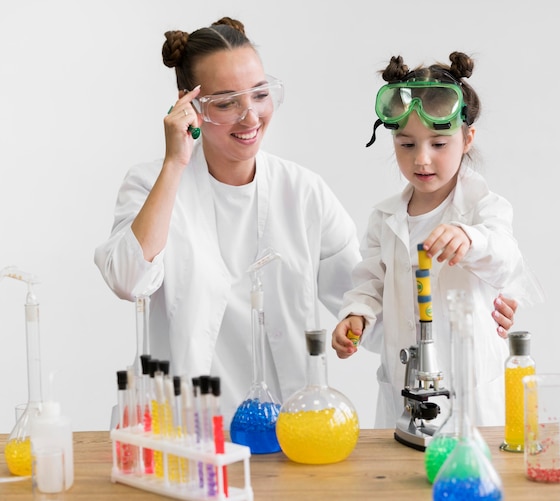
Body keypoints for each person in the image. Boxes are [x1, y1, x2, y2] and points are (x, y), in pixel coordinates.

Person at [94, 18, 518, 428]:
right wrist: (175, 163)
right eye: (226, 102)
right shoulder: (153, 182)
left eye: (259, 94)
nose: (250, 116)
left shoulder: (302, 192)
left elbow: (374, 308)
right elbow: (129, 280)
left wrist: (473, 303)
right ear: (189, 106)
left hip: (285, 428)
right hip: (182, 430)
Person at [331, 52, 542, 428]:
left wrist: (469, 238)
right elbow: (371, 282)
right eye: (407, 144)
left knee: (470, 474)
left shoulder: (483, 208)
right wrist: (356, 314)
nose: (422, 160)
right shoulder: (384, 217)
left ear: (467, 138)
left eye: (439, 144)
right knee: (402, 477)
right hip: (405, 389)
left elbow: (507, 258)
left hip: (472, 393)